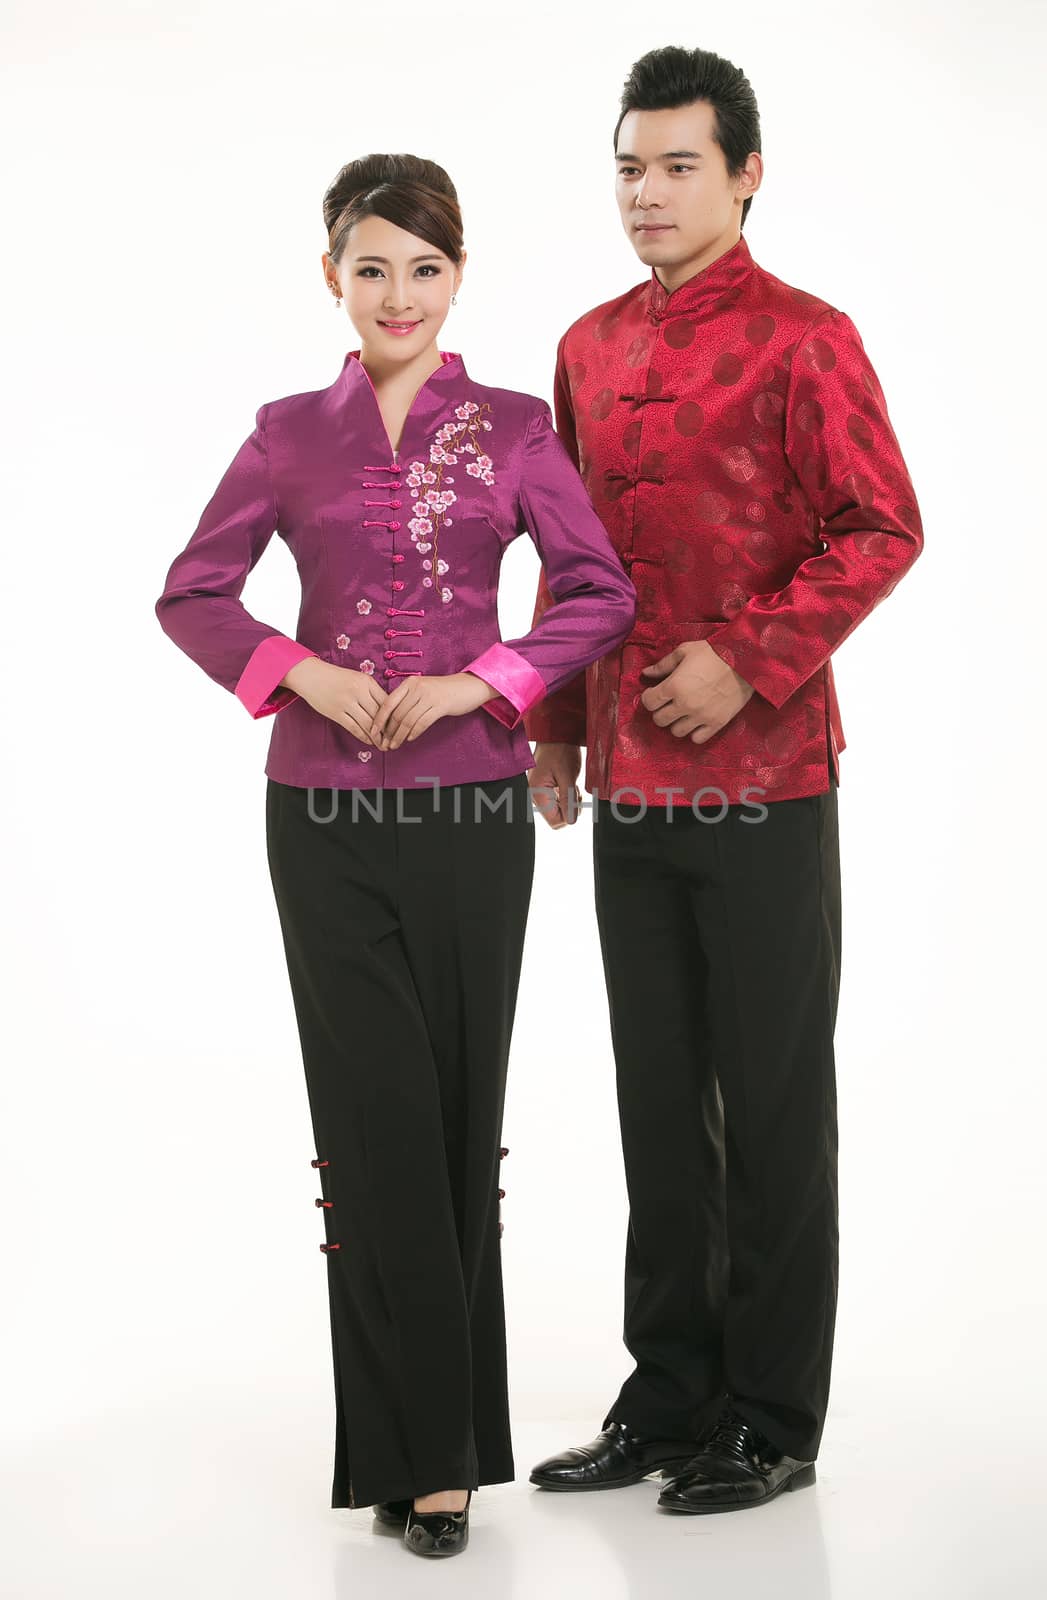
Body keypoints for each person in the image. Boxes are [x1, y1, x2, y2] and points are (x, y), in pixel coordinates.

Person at [154, 152, 636, 1559]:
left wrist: (485, 681)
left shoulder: (515, 427)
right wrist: (296, 670)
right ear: (333, 279)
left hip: (475, 815)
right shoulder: (286, 434)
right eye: (373, 266)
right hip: (322, 818)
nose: (400, 292)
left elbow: (597, 588)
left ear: (457, 278)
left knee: (447, 1125)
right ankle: (420, 1458)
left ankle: (431, 1450)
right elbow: (191, 592)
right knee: (368, 1131)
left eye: (425, 267)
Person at [524, 46, 924, 1514]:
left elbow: (880, 526)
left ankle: (770, 1415)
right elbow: (574, 566)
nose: (648, 192)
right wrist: (557, 726)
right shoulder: (587, 346)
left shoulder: (808, 340)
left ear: (747, 175)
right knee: (654, 1105)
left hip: (764, 779)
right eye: (631, 165)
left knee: (768, 1104)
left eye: (679, 164)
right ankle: (669, 1392)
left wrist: (748, 658)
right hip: (628, 783)